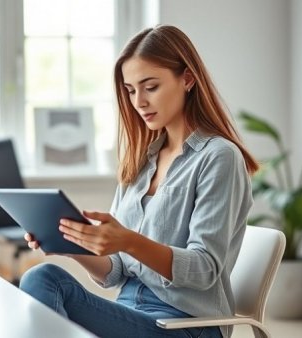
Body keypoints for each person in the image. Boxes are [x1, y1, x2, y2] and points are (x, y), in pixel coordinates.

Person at [19, 24, 259, 338]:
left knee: (46, 279)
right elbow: (116, 271)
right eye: (131, 90)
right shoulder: (141, 162)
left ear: (187, 79)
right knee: (42, 276)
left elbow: (204, 269)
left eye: (150, 86)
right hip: (132, 314)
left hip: (188, 325)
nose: (139, 101)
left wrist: (130, 240)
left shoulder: (219, 157)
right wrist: (70, 244)